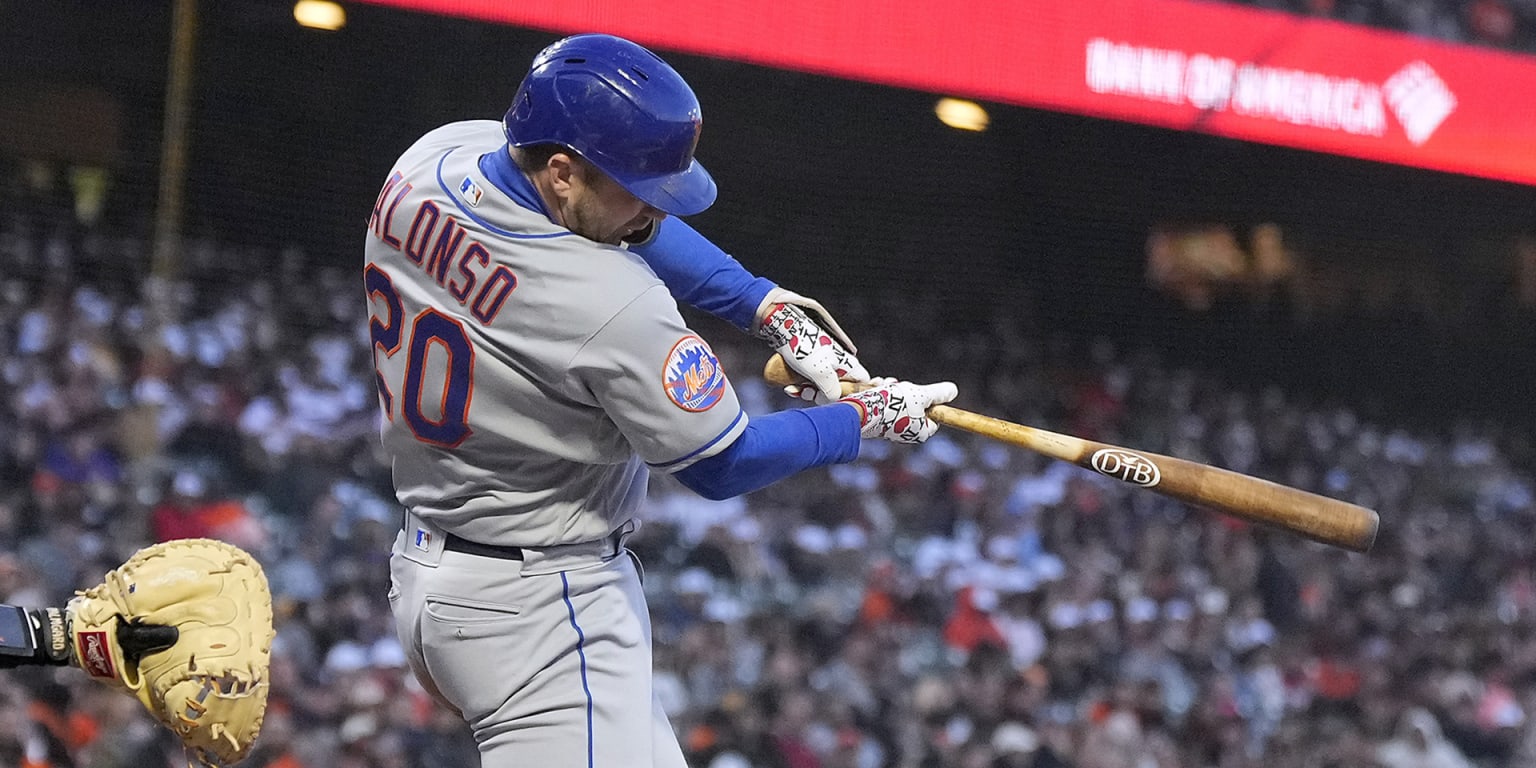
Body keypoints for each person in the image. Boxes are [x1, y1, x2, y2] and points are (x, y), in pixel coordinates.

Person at [364, 32, 958, 767]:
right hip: (538, 612)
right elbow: (721, 463)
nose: (650, 211)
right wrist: (859, 419)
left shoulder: (434, 159)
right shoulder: (611, 304)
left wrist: (763, 307)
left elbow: (631, 230)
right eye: (636, 189)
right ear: (562, 173)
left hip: (433, 565)